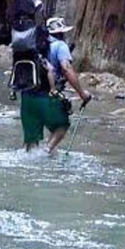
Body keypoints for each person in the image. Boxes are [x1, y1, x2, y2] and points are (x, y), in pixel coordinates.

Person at [9, 0, 61, 151]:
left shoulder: (15, 28)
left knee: (30, 137)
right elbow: (44, 48)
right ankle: (45, 153)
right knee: (60, 126)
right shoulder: (37, 30)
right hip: (39, 80)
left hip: (22, 80)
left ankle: (28, 151)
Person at [43, 17, 92, 155]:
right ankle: (45, 154)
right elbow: (66, 68)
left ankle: (48, 151)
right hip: (49, 93)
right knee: (63, 125)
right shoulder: (60, 45)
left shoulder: (38, 46)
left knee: (51, 125)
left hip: (31, 94)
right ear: (61, 32)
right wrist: (82, 93)